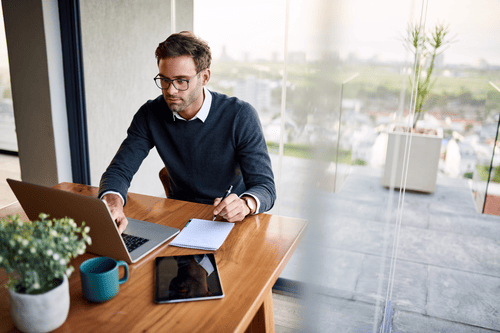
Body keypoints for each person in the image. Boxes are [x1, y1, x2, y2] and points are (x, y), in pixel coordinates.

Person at [98, 31, 276, 233]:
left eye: (181, 80)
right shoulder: (150, 114)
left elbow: (265, 187)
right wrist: (112, 202)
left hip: (230, 222)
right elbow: (120, 169)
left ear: (205, 77)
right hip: (180, 218)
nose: (171, 90)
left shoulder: (240, 115)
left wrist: (245, 205)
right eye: (164, 80)